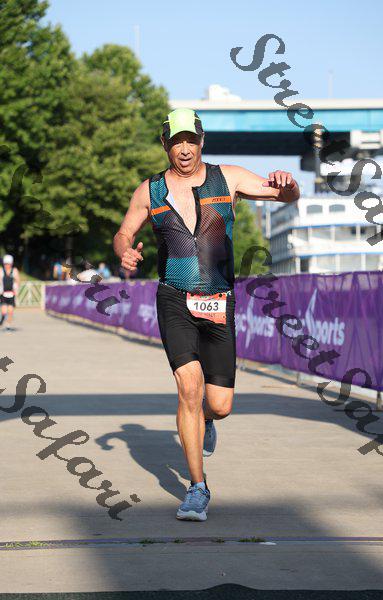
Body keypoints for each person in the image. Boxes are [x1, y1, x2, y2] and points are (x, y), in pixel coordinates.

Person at [113, 108, 300, 521]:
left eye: (191, 140)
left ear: (202, 141)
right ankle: (197, 488)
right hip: (174, 298)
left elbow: (283, 195)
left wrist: (290, 185)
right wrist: (124, 250)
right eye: (176, 141)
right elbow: (124, 232)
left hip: (219, 300)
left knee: (219, 403)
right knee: (188, 388)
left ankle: (206, 421)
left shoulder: (228, 178)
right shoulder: (149, 190)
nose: (184, 149)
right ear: (165, 144)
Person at [0, 254, 20, 331]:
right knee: (4, 311)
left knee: (10, 311)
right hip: (3, 294)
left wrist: (16, 288)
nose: (7, 265)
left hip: (11, 294)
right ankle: (2, 318)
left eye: (8, 264)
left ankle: (8, 326)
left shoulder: (14, 271)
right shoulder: (1, 271)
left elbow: (18, 280)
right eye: (5, 264)